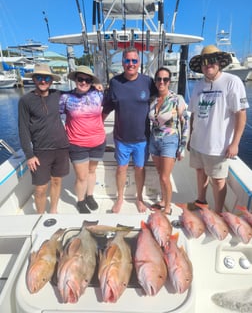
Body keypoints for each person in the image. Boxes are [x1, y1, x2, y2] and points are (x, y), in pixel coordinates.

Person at [187, 45, 249, 213]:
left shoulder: (232, 81)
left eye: (212, 60)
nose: (209, 64)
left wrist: (235, 143)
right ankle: (201, 201)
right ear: (201, 65)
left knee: (219, 180)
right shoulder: (199, 85)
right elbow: (193, 114)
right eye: (205, 61)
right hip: (197, 142)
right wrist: (190, 137)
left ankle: (219, 212)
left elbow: (241, 114)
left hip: (218, 146)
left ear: (219, 62)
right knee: (200, 173)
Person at [102, 46, 157, 213]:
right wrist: (97, 125)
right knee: (121, 168)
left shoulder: (148, 82)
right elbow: (107, 107)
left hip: (142, 138)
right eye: (127, 60)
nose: (131, 64)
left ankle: (139, 198)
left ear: (139, 63)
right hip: (121, 138)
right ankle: (120, 199)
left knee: (140, 168)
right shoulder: (115, 82)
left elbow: (160, 97)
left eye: (134, 60)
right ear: (122, 62)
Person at [18, 63, 70, 214]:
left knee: (57, 181)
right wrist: (29, 155)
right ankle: (39, 216)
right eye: (39, 77)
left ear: (51, 80)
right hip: (40, 151)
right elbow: (23, 129)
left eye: (46, 77)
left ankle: (53, 210)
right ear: (34, 79)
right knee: (41, 188)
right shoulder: (25, 101)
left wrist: (97, 86)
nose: (43, 81)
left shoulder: (57, 95)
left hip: (61, 148)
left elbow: (79, 92)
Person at [59, 65, 106, 213]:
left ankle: (90, 195)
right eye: (81, 79)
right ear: (75, 80)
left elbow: (116, 95)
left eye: (87, 80)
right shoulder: (65, 97)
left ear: (91, 81)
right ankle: (80, 200)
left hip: (98, 141)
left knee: (92, 171)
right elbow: (57, 117)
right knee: (81, 176)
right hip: (76, 143)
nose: (84, 82)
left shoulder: (99, 94)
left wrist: (102, 86)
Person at [149, 67, 189, 215]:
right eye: (159, 78)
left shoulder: (177, 99)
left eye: (165, 79)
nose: (161, 82)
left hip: (170, 140)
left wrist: (182, 147)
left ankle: (168, 207)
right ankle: (163, 200)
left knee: (165, 177)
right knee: (161, 174)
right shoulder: (153, 99)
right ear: (155, 81)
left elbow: (185, 123)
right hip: (154, 141)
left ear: (169, 82)